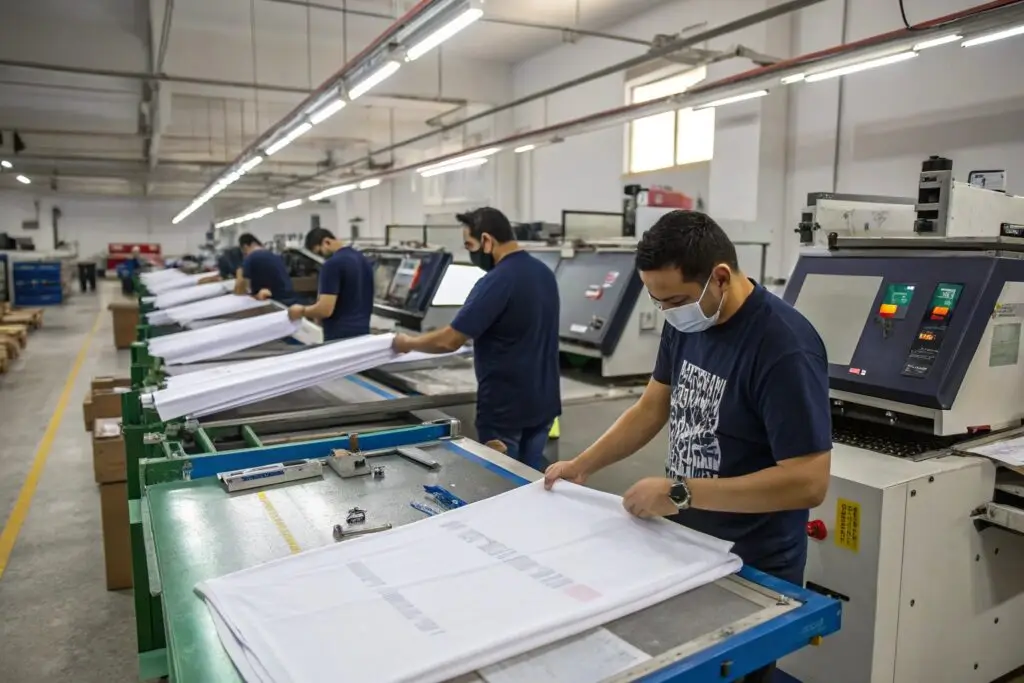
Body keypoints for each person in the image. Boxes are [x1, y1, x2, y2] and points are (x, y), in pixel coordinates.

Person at [543, 210, 831, 683]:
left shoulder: (783, 348)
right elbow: (652, 407)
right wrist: (582, 464)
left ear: (719, 276)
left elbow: (807, 481)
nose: (667, 312)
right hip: (686, 543)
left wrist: (679, 492)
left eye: (673, 299)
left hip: (751, 562)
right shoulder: (687, 322)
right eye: (658, 302)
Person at [392, 207, 561, 471]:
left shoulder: (497, 279)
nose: (472, 254)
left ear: (486, 240)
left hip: (505, 409)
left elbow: (449, 340)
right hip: (544, 401)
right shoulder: (544, 272)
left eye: (470, 245)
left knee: (504, 483)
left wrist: (406, 343)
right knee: (534, 480)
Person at [289, 228, 373, 341]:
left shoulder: (332, 264)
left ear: (326, 242)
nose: (321, 256)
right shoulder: (363, 260)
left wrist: (301, 311)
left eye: (319, 252)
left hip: (339, 337)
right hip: (363, 333)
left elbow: (325, 310)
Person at [234, 233, 296, 303]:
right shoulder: (275, 256)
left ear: (245, 247)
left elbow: (241, 290)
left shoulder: (250, 258)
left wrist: (239, 275)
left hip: (273, 301)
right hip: (290, 299)